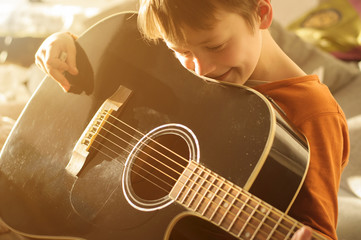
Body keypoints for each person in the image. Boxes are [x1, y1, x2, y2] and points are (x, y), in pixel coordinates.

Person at [34, 0, 350, 239]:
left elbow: (317, 229)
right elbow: (121, 50)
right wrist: (68, 44)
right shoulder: (200, 60)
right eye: (180, 51)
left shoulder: (312, 113)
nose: (201, 69)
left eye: (215, 45)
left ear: (261, 13)